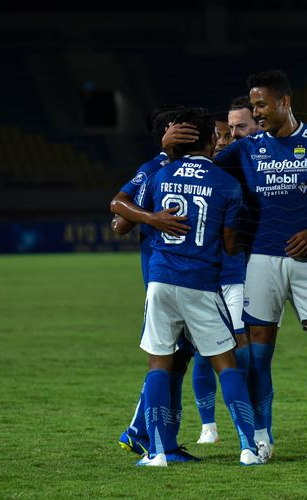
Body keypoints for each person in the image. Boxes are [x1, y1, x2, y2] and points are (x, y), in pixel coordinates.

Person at [165, 70, 307, 461]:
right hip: (262, 261)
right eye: (253, 106)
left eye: (261, 105)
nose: (257, 112)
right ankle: (262, 436)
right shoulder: (248, 149)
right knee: (257, 353)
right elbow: (202, 167)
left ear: (284, 102)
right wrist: (166, 149)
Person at [115, 107, 265, 466]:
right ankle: (248, 448)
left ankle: (156, 452)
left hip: (160, 280)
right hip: (200, 282)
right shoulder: (226, 183)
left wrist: (151, 218)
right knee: (226, 364)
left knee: (159, 365)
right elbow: (231, 246)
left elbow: (120, 218)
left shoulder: (159, 174)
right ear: (212, 140)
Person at [110, 105, 197, 461]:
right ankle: (141, 432)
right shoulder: (156, 169)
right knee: (167, 358)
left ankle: (151, 433)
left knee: (179, 358)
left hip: (185, 279)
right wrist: (151, 217)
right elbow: (118, 213)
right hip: (165, 281)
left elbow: (121, 222)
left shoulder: (185, 170)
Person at [191, 110, 251, 445]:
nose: (223, 142)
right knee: (203, 350)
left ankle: (245, 420)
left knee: (239, 346)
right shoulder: (199, 176)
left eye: (229, 135)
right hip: (205, 277)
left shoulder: (236, 172)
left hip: (236, 275)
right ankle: (208, 426)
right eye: (219, 136)